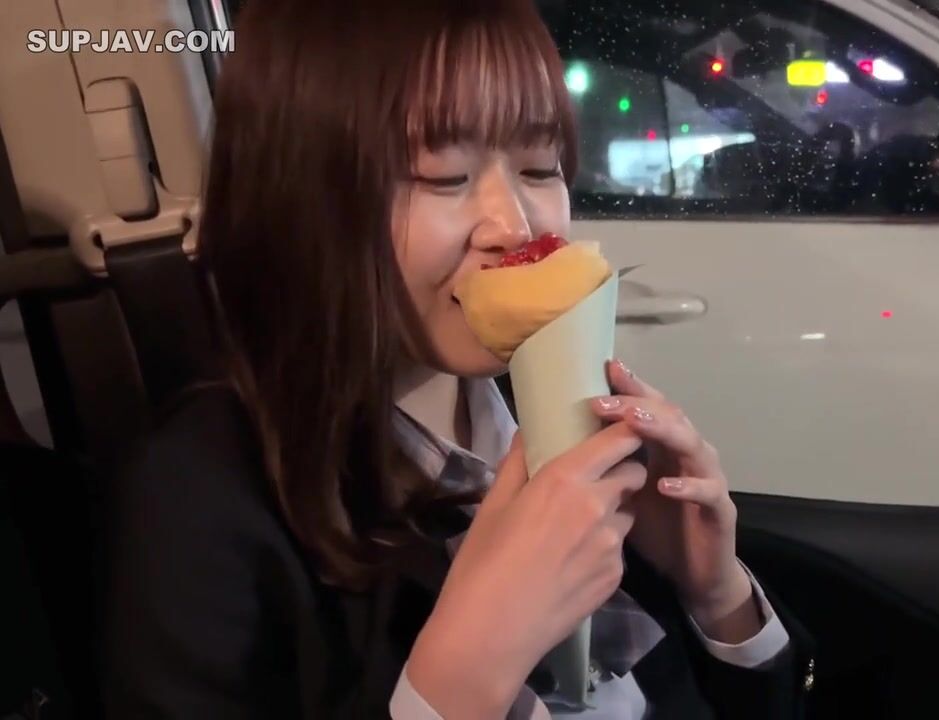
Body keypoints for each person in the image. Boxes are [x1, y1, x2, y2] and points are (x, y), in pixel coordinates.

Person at [97, 1, 813, 718]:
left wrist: (715, 593)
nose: (518, 227)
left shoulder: (556, 403)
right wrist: (465, 672)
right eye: (444, 176)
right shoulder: (200, 499)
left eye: (540, 167)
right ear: (300, 195)